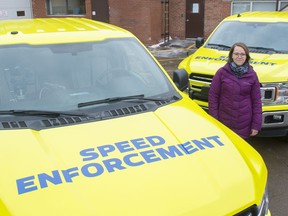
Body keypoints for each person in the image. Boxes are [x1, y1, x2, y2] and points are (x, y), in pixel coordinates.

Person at [208, 42, 262, 140]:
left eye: (242, 54)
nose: (239, 57)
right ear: (231, 56)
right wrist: (214, 120)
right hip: (224, 122)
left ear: (247, 57)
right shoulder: (221, 73)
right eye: (236, 54)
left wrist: (256, 125)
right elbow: (213, 97)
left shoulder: (252, 75)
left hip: (245, 124)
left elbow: (257, 101)